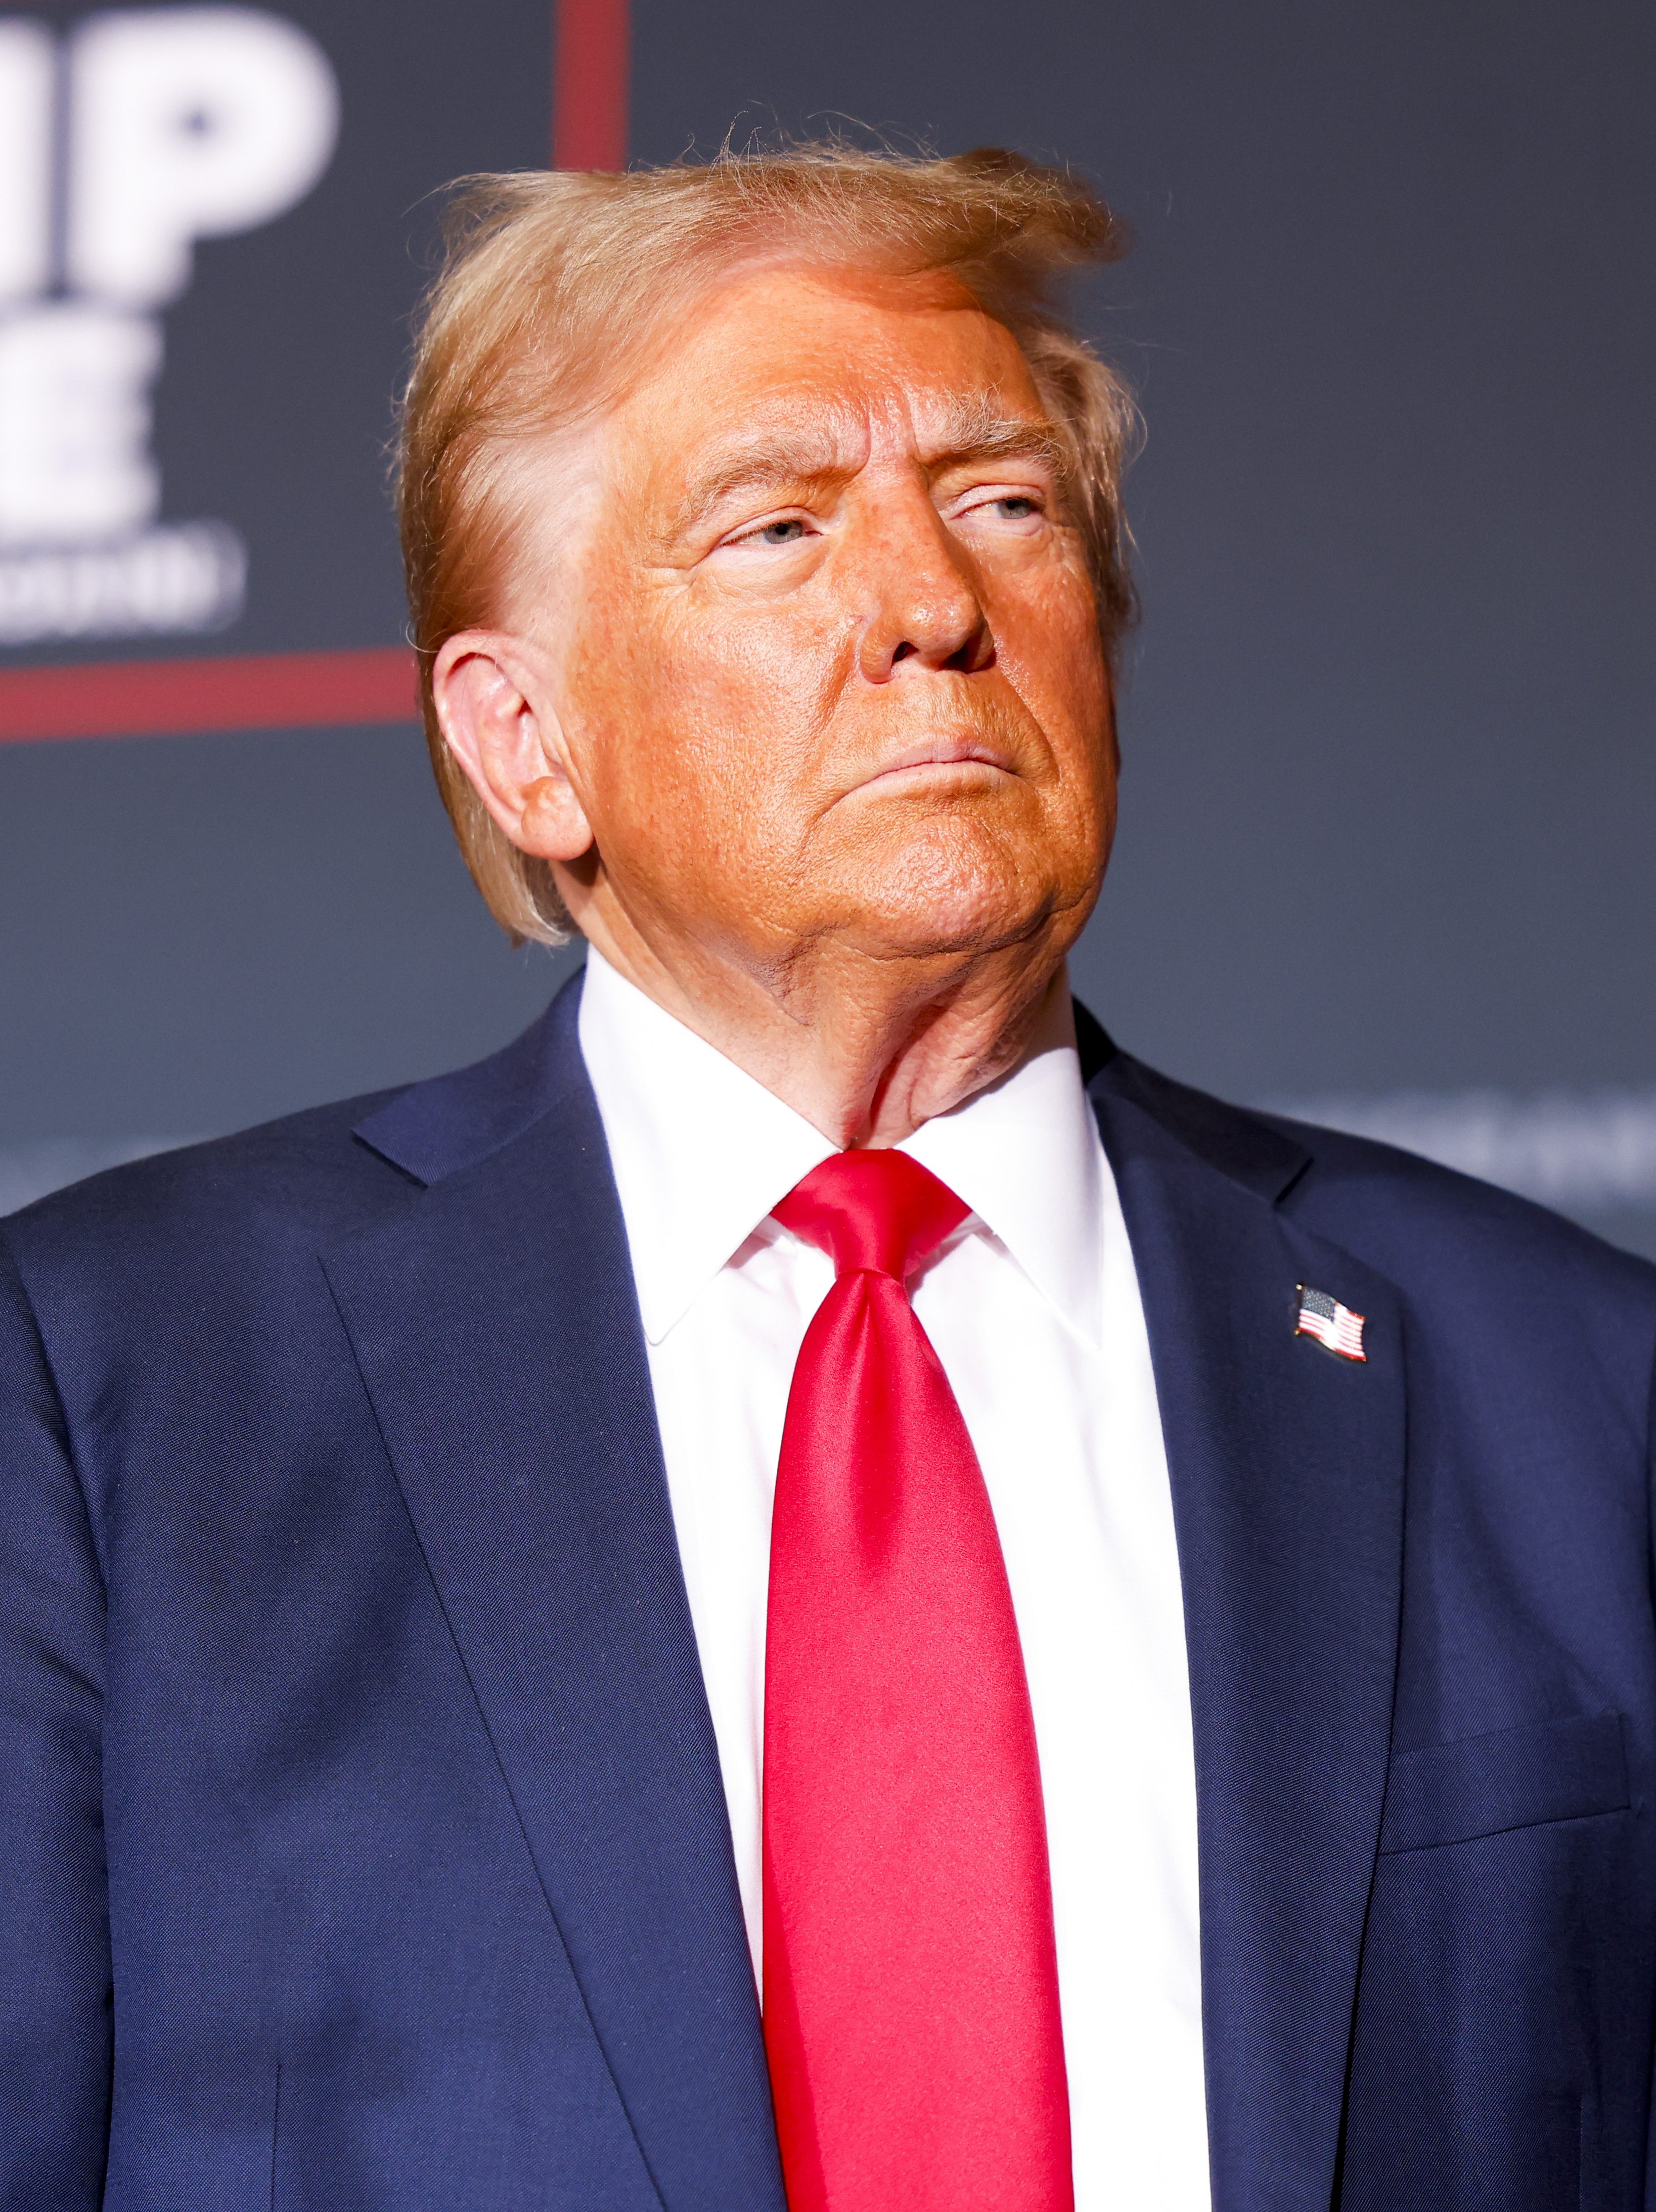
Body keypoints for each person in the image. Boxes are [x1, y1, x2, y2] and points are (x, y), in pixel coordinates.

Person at [1, 146, 1652, 2212]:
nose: (933, 604)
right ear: (528, 746)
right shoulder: (102, 1398)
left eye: (1004, 502)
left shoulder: (1573, 1387)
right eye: (780, 526)